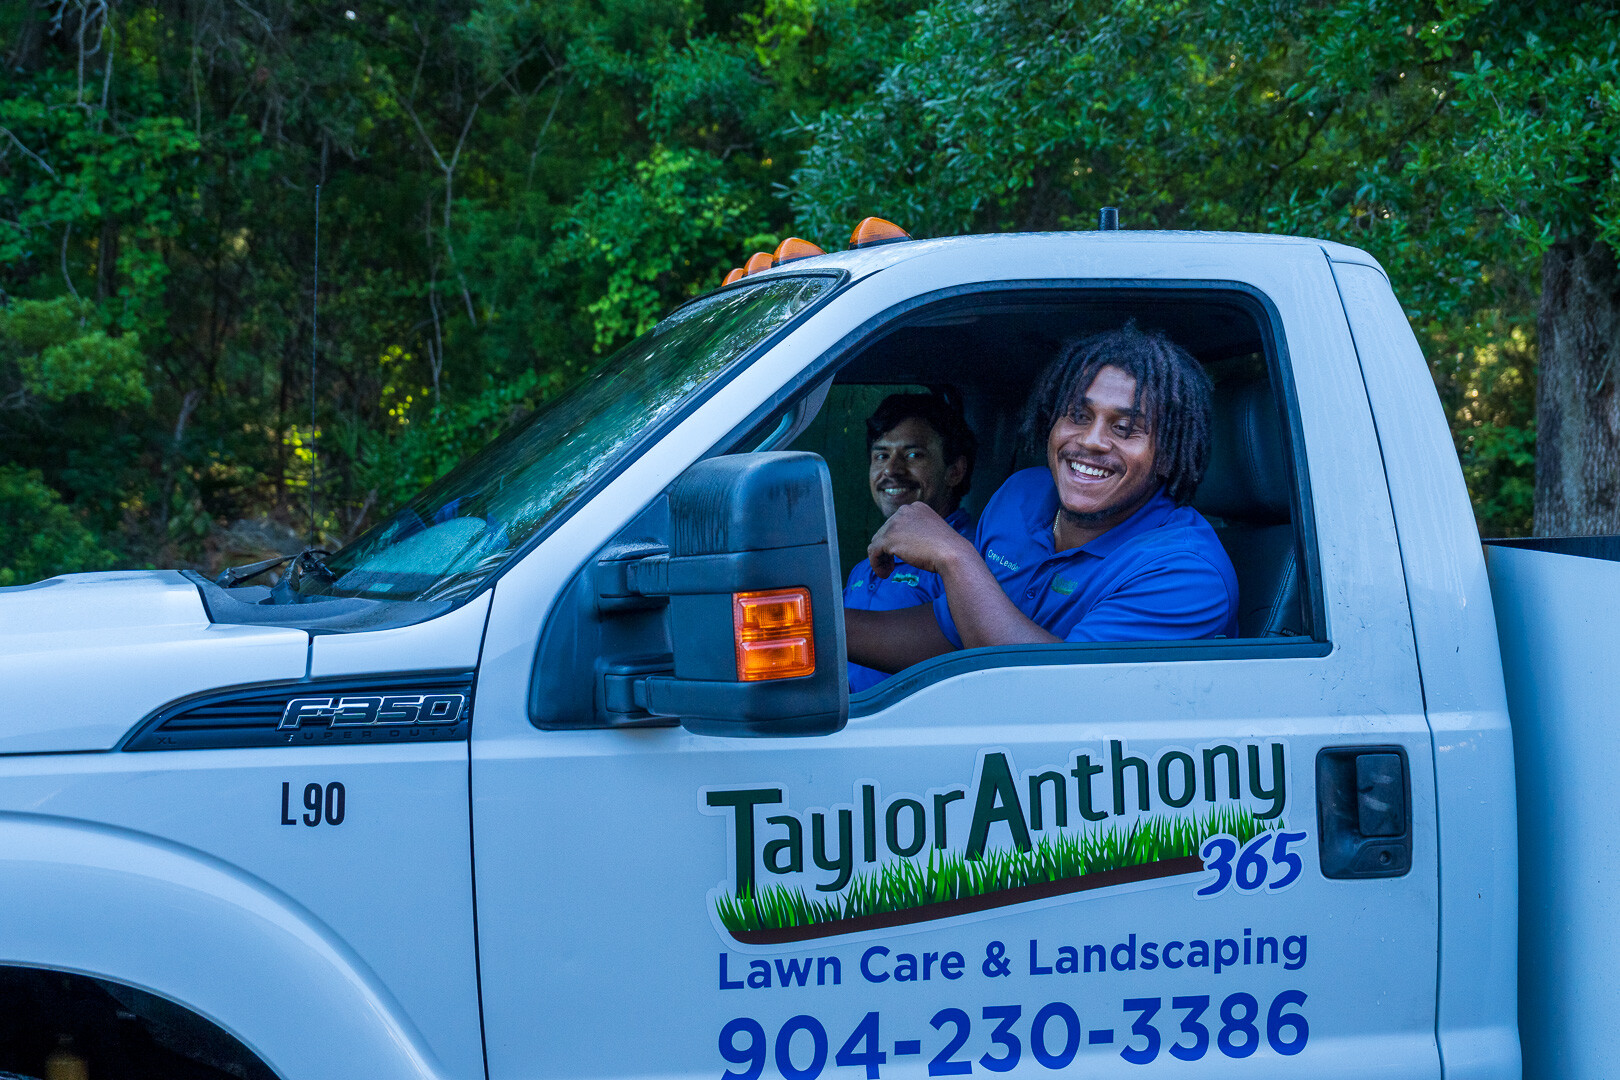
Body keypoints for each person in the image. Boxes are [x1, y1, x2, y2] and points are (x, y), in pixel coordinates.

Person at [846, 323, 1237, 674]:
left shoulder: (1188, 573)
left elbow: (1053, 692)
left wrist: (955, 556)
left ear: (1167, 455)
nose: (1091, 441)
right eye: (1078, 416)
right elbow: (951, 631)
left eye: (1124, 428)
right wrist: (804, 629)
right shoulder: (1021, 495)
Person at [843, 393, 978, 692]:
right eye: (881, 455)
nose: (891, 470)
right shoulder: (863, 569)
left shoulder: (969, 559)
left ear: (955, 470)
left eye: (913, 455)